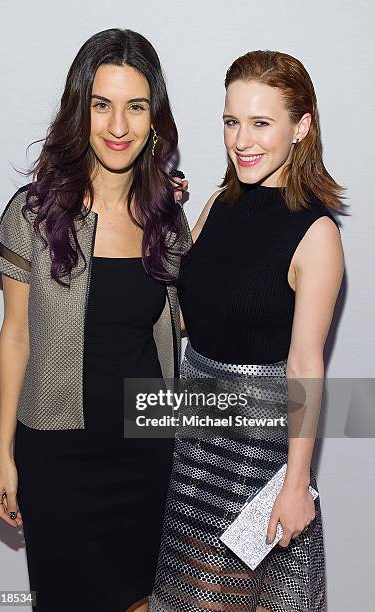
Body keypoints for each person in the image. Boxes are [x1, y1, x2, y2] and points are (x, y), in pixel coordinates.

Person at [0, 29, 191, 612]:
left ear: (154, 118)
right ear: (82, 109)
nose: (118, 125)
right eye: (102, 104)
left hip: (148, 454)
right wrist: (4, 454)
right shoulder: (35, 212)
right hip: (57, 458)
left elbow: (190, 334)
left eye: (135, 106)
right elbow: (15, 335)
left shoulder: (167, 223)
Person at [149, 50, 345, 611]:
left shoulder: (317, 233)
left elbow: (307, 363)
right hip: (192, 439)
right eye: (232, 121)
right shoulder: (217, 202)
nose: (242, 140)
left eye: (262, 123)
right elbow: (187, 316)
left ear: (301, 127)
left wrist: (295, 483)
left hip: (256, 455)